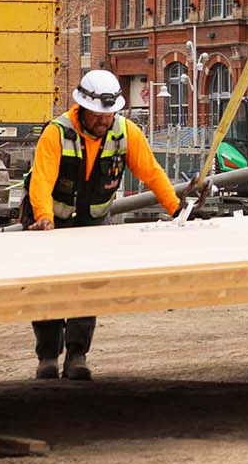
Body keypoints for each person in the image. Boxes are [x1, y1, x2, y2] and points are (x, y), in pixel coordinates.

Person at [22, 68, 190, 380]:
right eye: (98, 115)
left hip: (92, 222)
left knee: (87, 287)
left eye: (108, 115)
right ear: (81, 109)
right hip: (49, 222)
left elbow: (151, 172)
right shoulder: (56, 133)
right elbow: (42, 179)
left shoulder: (125, 133)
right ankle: (47, 357)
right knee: (47, 288)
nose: (103, 121)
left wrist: (176, 207)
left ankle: (77, 355)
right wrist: (43, 218)